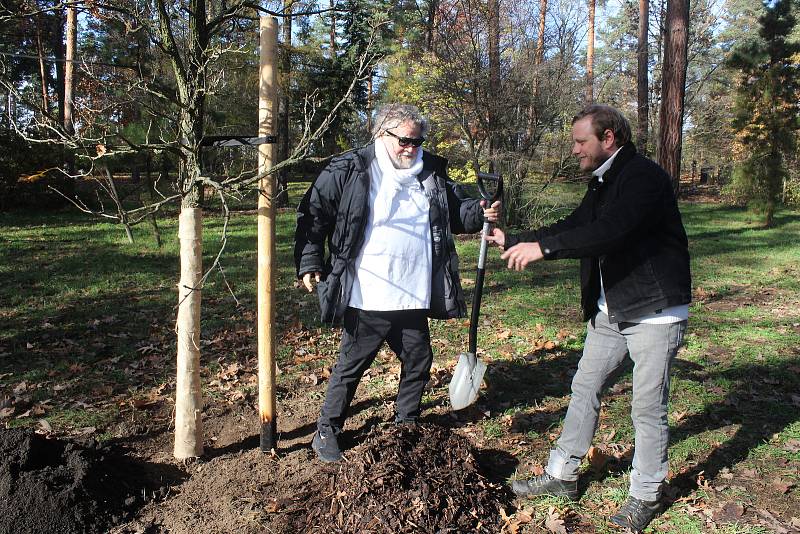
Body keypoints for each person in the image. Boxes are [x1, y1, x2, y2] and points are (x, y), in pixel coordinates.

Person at [485, 104, 691, 532]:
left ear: (609, 137)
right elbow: (577, 223)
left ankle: (646, 494)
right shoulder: (602, 180)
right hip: (612, 307)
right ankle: (562, 475)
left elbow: (609, 232)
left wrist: (544, 250)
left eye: (581, 141)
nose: (575, 149)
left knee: (647, 406)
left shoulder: (643, 179)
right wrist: (520, 238)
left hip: (654, 311)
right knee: (584, 387)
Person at [294, 103, 501, 463]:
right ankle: (327, 430)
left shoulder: (430, 171)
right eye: (405, 140)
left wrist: (481, 210)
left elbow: (455, 212)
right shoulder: (349, 168)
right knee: (352, 364)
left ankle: (405, 425)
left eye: (417, 142)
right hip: (368, 291)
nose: (412, 148)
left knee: (419, 359)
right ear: (381, 134)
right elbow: (313, 214)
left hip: (412, 288)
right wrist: (310, 261)